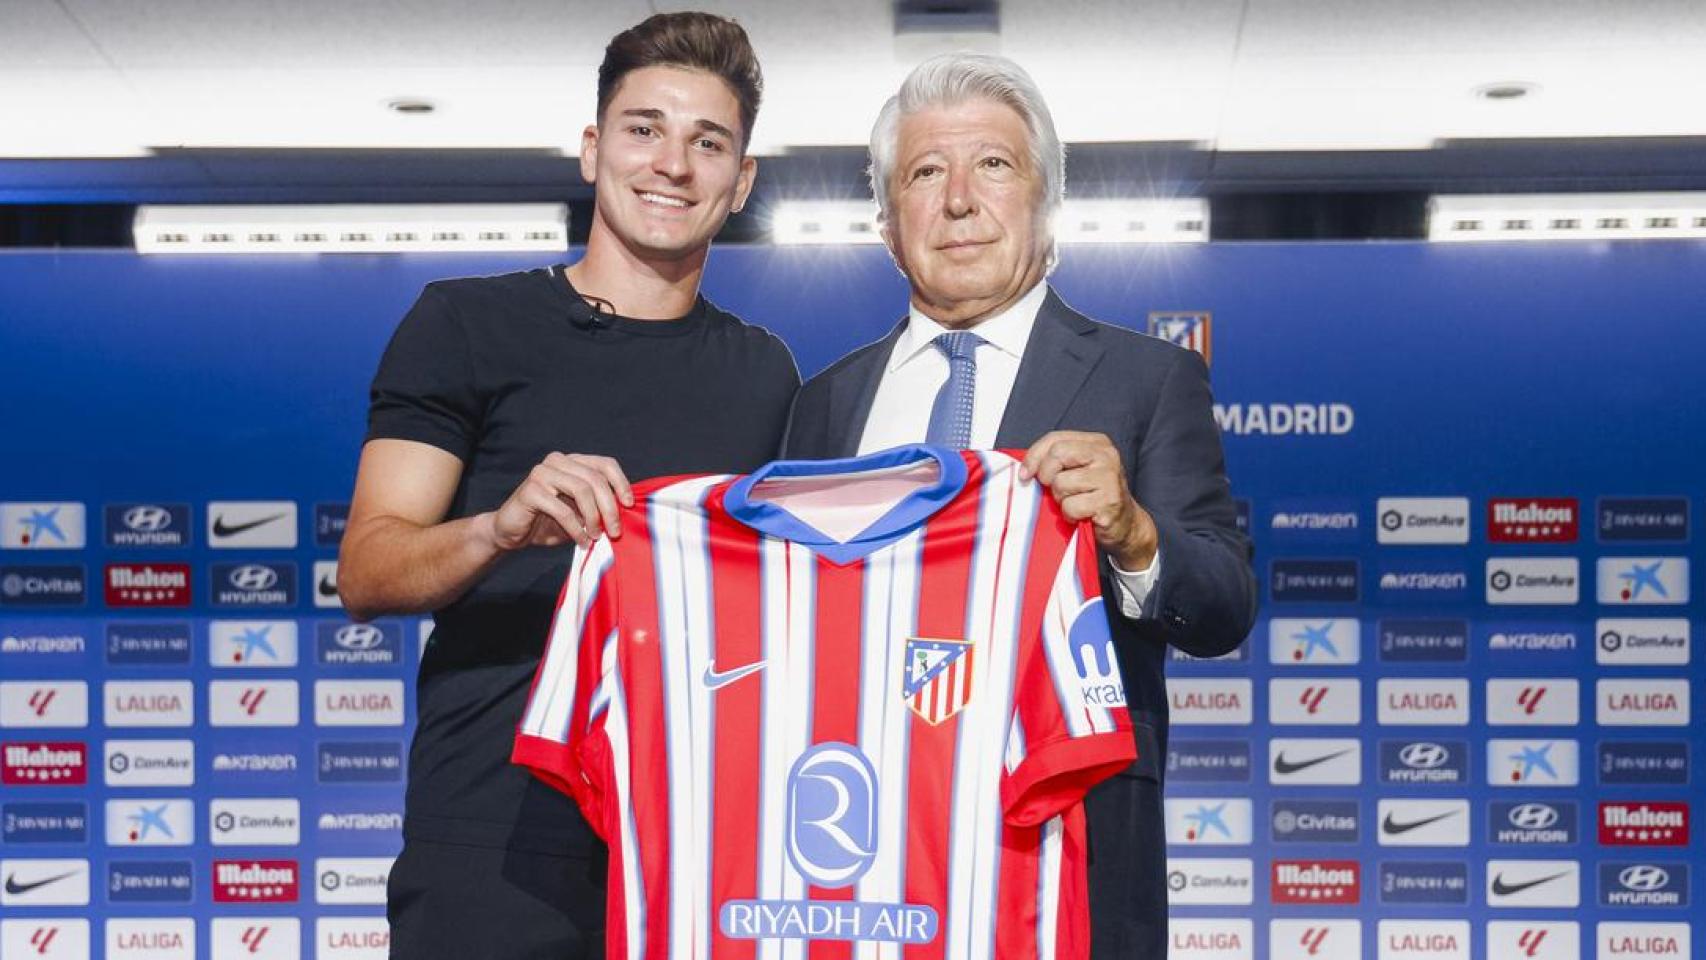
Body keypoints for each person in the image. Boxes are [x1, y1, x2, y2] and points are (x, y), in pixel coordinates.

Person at [337, 13, 798, 958]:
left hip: (699, 844)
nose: (673, 163)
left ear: (741, 180)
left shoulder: (767, 375)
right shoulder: (465, 324)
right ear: (593, 151)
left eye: (708, 142)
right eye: (644, 128)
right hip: (494, 838)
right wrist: (495, 530)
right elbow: (368, 569)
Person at [781, 53, 1257, 958]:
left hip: (1064, 846)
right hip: (857, 852)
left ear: (1045, 202)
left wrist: (1134, 534)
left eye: (993, 165)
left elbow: (1224, 605)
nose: (959, 199)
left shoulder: (1147, 378)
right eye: (926, 173)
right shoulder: (824, 401)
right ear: (888, 225)